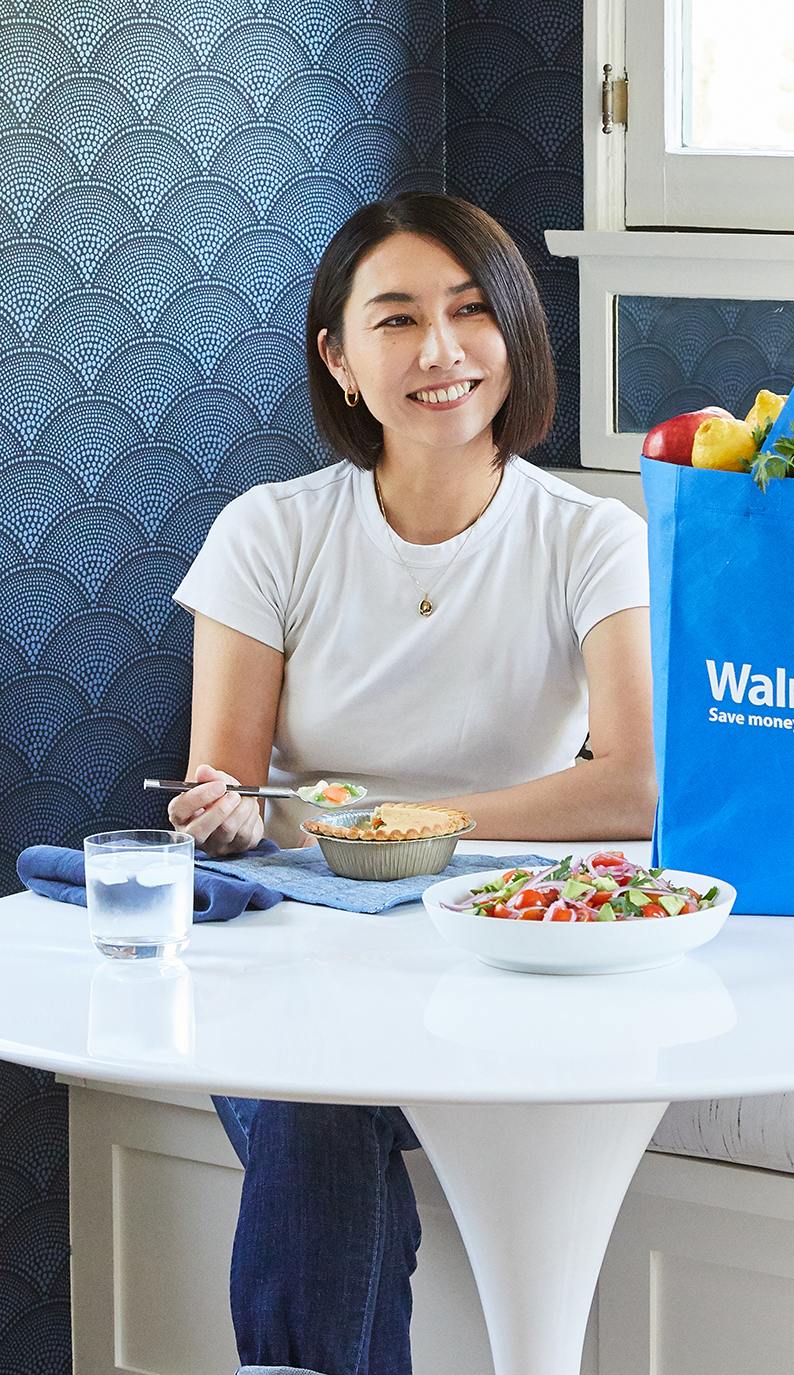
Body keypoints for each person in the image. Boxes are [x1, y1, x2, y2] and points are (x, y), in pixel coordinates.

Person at [166, 192, 655, 1375]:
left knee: (320, 1097)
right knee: (312, 1091)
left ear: (515, 337)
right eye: (394, 320)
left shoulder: (587, 536)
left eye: (471, 311)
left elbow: (633, 787)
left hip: (508, 950)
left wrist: (407, 826)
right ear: (338, 359)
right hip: (300, 942)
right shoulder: (267, 531)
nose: (440, 351)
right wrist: (224, 815)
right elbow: (225, 793)